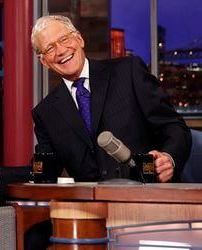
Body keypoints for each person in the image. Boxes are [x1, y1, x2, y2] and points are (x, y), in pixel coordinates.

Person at [27, 15, 192, 249]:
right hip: (90, 215)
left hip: (148, 204)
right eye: (50, 48)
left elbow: (174, 127)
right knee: (34, 238)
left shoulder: (128, 71)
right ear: (43, 61)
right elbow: (41, 171)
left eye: (64, 39)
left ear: (80, 39)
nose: (61, 50)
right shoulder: (45, 112)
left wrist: (169, 158)